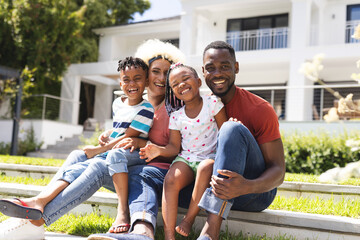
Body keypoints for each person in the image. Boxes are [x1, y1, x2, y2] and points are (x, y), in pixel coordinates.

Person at [0, 39, 185, 240]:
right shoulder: (137, 104)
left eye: (167, 73)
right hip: (120, 166)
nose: (161, 78)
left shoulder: (174, 109)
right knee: (77, 155)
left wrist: (142, 143)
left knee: (96, 166)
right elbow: (125, 130)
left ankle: (37, 219)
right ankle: (38, 204)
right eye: (156, 71)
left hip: (143, 171)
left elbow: (174, 148)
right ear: (147, 75)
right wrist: (108, 134)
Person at [196, 40, 285, 240]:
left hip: (255, 193)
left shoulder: (259, 109)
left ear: (236, 67)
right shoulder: (199, 107)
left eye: (225, 67)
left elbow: (278, 171)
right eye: (211, 68)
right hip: (212, 185)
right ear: (203, 71)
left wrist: (247, 186)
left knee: (231, 128)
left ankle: (210, 232)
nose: (217, 73)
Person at [139, 63, 227, 239]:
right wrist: (158, 151)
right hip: (186, 158)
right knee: (170, 180)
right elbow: (173, 147)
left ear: (198, 81)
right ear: (172, 90)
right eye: (175, 83)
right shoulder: (176, 116)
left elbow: (225, 132)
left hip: (210, 158)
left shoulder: (213, 103)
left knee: (203, 169)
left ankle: (189, 219)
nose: (181, 84)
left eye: (185, 78)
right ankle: (169, 234)